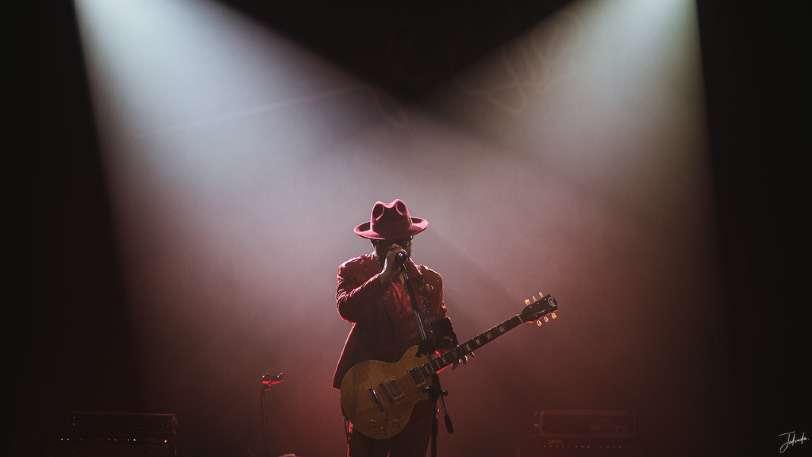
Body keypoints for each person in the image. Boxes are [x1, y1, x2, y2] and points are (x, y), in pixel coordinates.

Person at [333, 199, 462, 457]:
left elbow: (439, 334)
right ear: (374, 243)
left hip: (416, 398)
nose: (398, 249)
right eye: (388, 244)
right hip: (370, 392)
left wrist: (448, 347)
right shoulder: (354, 270)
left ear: (411, 240)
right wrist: (383, 277)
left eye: (403, 242)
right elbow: (347, 308)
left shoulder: (428, 281)